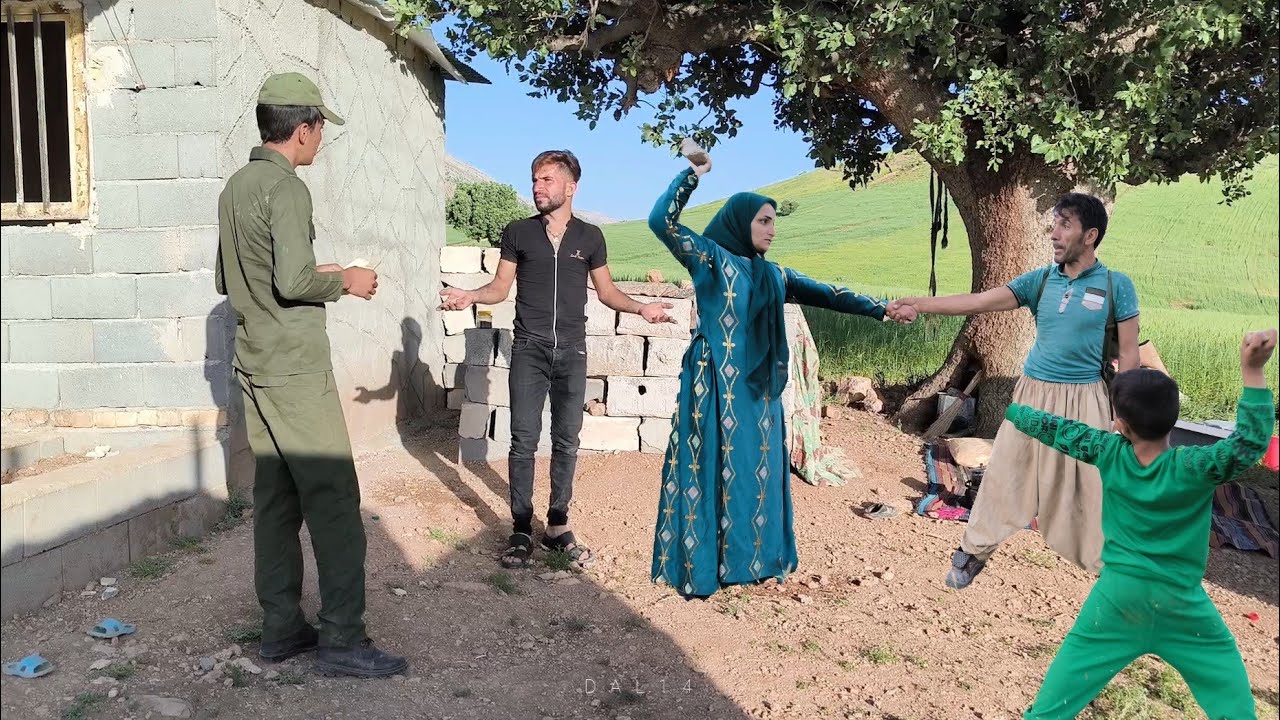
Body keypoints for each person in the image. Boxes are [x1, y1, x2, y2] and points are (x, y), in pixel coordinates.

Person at [648, 141, 915, 598]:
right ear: (741, 221)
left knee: (758, 470)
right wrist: (692, 173)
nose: (772, 230)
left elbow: (830, 294)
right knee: (714, 464)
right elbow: (661, 222)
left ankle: (753, 560)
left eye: (775, 221)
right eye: (763, 221)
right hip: (715, 385)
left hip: (760, 389)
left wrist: (882, 309)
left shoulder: (776, 276)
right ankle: (708, 563)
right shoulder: (710, 258)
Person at [215, 72, 407, 677]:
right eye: (320, 130)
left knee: (276, 499)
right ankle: (343, 640)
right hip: (295, 369)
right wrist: (346, 281)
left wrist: (314, 270)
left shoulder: (235, 187)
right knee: (332, 499)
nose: (321, 141)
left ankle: (281, 629)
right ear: (302, 130)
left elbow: (231, 280)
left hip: (254, 362)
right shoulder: (288, 189)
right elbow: (295, 282)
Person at [1012, 329, 1276, 719]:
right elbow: (1250, 443)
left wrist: (1015, 411)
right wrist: (1252, 372)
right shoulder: (1195, 467)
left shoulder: (1108, 451)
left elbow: (1060, 432)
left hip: (1116, 600)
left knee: (1053, 706)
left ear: (1120, 423)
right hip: (1183, 608)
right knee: (1233, 705)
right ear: (1174, 417)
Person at [889, 193, 1141, 589]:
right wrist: (920, 304)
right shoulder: (1040, 281)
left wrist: (1127, 414)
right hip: (1034, 394)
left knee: (1089, 485)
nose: (1054, 233)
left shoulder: (1116, 286)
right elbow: (979, 301)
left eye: (1065, 225)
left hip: (1086, 398)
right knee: (1006, 472)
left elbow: (1129, 354)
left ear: (1090, 235)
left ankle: (1108, 571)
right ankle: (973, 552)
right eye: (1054, 223)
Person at [438, 150, 675, 570]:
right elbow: (498, 288)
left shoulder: (590, 237)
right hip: (528, 348)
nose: (537, 188)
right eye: (534, 180)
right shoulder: (518, 233)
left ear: (570, 187)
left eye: (546, 180)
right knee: (523, 439)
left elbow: (606, 292)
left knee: (567, 440)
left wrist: (642, 309)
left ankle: (558, 526)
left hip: (572, 350)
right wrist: (470, 295)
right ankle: (522, 528)